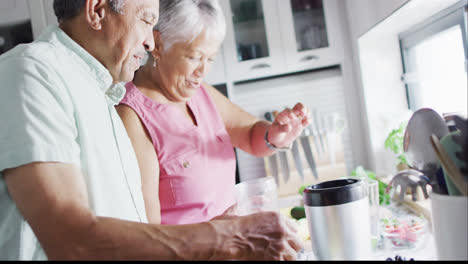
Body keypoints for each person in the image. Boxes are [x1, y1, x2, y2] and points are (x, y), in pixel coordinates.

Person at [0, 0, 303, 260]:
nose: (149, 42)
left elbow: (132, 231)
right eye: (145, 20)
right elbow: (70, 239)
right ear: (97, 10)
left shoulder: (103, 92)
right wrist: (225, 237)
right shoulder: (32, 73)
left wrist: (216, 234)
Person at [116, 0, 312, 226]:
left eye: (210, 58)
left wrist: (276, 135)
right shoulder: (133, 117)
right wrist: (213, 234)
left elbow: (250, 136)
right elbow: (149, 232)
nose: (203, 70)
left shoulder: (201, 93)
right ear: (158, 44)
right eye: (194, 57)